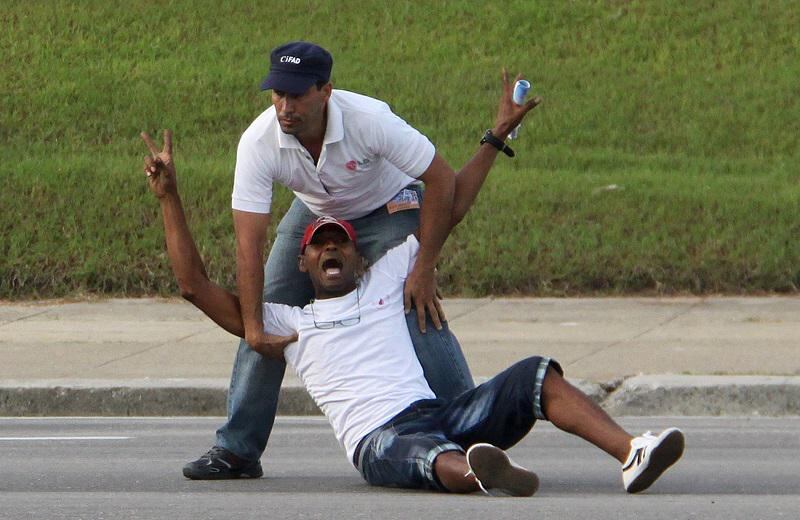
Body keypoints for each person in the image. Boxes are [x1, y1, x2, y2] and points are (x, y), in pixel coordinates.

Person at [140, 129, 684, 497]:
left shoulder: (388, 278)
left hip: (436, 414)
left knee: (536, 374)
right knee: (423, 452)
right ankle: (479, 474)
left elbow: (453, 203)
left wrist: (495, 137)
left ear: (358, 254)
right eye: (319, 244)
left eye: (341, 242)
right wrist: (169, 198)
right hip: (377, 441)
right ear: (303, 262)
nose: (331, 247)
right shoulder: (289, 325)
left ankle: (632, 451)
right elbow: (193, 285)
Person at [180, 40, 542, 479]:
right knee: (262, 309)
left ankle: (471, 433)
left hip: (388, 204)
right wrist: (254, 328)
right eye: (278, 94)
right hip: (316, 209)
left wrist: (423, 268)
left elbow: (442, 182)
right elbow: (248, 245)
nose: (285, 107)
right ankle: (237, 449)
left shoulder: (369, 120)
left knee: (413, 300)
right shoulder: (259, 141)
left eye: (297, 95)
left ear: (326, 91)